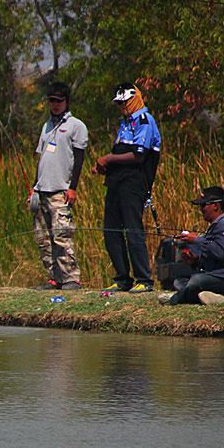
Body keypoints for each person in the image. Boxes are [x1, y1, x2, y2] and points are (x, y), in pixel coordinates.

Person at [92, 81, 162, 293]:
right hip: (116, 183)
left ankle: (144, 280)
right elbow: (120, 154)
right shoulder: (124, 123)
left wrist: (108, 158)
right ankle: (122, 278)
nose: (124, 107)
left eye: (127, 102)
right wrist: (106, 167)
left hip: (134, 184)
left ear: (137, 98)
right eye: (120, 104)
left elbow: (138, 155)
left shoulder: (144, 120)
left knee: (133, 229)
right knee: (111, 230)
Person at [30, 81, 88, 290]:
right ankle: (55, 278)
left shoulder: (76, 126)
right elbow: (42, 157)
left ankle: (71, 278)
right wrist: (35, 187)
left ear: (67, 101)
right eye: (51, 101)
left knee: (61, 236)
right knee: (43, 239)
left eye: (58, 101)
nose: (54, 105)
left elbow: (79, 158)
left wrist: (73, 187)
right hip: (41, 190)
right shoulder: (47, 125)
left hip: (61, 190)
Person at [157, 186, 224, 305]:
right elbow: (216, 263)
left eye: (203, 205)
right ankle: (216, 298)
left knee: (197, 281)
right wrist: (195, 261)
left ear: (216, 205)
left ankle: (174, 300)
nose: (201, 209)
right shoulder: (215, 227)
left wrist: (196, 239)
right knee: (180, 280)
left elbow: (219, 252)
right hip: (222, 279)